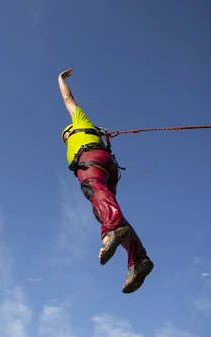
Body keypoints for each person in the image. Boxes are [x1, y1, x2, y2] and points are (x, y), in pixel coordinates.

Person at [57, 68, 154, 294]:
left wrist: (60, 79)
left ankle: (111, 229)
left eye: (65, 134)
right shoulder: (89, 132)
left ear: (71, 128)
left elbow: (68, 99)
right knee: (106, 210)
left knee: (93, 189)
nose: (65, 138)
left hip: (91, 161)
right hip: (107, 168)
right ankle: (138, 260)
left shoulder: (79, 121)